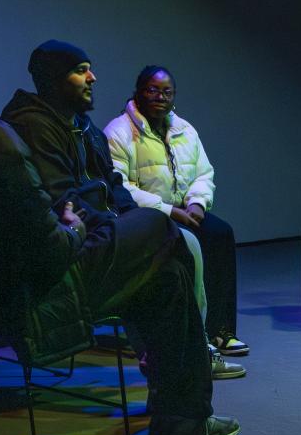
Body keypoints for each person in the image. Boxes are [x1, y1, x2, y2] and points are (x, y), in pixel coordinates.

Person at [0, 9, 238, 435]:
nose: (92, 78)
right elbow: (51, 247)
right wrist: (75, 227)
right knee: (158, 230)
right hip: (26, 297)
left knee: (163, 272)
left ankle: (180, 411)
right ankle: (184, 416)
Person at [1, 42, 245, 378]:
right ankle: (185, 355)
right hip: (80, 244)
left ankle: (190, 349)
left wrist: (190, 204)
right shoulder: (37, 126)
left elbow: (115, 183)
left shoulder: (85, 127)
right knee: (171, 239)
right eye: (81, 70)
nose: (93, 77)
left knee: (187, 252)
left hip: (115, 224)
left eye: (167, 92)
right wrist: (142, 217)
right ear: (55, 79)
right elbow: (64, 200)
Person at [103, 66, 247, 357]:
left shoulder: (185, 129)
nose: (160, 97)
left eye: (167, 92)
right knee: (187, 247)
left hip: (184, 210)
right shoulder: (118, 132)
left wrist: (197, 203)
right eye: (152, 90)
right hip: (146, 217)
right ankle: (194, 335)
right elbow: (121, 187)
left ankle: (221, 329)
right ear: (139, 92)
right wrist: (169, 211)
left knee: (220, 234)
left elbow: (203, 173)